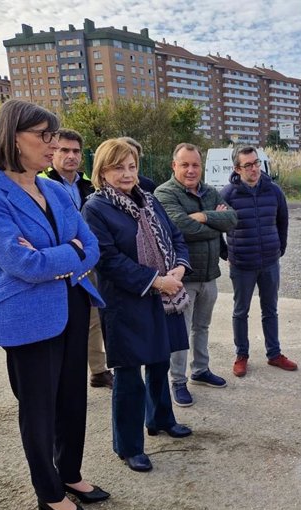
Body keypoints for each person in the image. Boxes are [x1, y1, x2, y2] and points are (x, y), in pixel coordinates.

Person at [0, 99, 108, 510]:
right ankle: (49, 494)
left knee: (72, 399)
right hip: (26, 315)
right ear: (12, 137)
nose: (53, 143)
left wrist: (60, 253)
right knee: (39, 409)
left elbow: (90, 246)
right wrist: (69, 251)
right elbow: (22, 263)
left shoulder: (57, 189)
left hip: (73, 304)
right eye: (43, 135)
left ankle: (71, 472)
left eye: (54, 135)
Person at [82, 138, 192, 473]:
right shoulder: (95, 208)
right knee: (129, 376)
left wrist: (180, 267)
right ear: (102, 171)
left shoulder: (149, 199)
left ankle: (160, 419)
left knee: (160, 362)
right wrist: (156, 281)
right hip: (126, 303)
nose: (127, 174)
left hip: (164, 298)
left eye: (131, 166)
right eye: (118, 167)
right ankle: (128, 446)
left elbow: (175, 236)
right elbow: (108, 260)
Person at [155, 143, 237, 406]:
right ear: (174, 166)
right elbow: (180, 227)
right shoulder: (164, 193)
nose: (191, 170)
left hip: (209, 275)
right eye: (185, 165)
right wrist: (215, 223)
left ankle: (200, 370)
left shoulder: (210, 192)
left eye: (195, 165)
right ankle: (178, 380)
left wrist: (201, 215)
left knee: (202, 327)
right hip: (182, 278)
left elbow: (233, 219)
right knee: (181, 330)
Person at [44, 128, 113, 389]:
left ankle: (98, 370)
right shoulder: (41, 183)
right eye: (64, 150)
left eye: (75, 151)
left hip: (89, 259)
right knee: (60, 319)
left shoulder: (89, 184)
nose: (71, 156)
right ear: (53, 152)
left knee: (93, 317)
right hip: (56, 264)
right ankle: (59, 375)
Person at [220, 145, 297, 377]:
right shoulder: (227, 194)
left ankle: (274, 354)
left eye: (257, 163)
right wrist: (228, 254)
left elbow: (282, 221)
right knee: (240, 311)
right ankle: (241, 355)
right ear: (237, 168)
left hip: (269, 263)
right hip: (242, 264)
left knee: (270, 310)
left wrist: (279, 248)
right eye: (248, 165)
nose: (254, 169)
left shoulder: (274, 191)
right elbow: (215, 228)